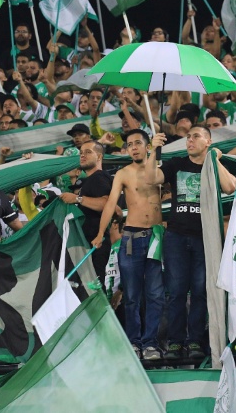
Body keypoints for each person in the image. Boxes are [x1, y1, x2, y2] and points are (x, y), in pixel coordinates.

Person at [152, 126, 236, 360]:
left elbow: (230, 187)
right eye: (188, 137)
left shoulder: (213, 164)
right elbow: (153, 178)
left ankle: (196, 341)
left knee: (200, 291)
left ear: (208, 141)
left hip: (205, 237)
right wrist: (153, 150)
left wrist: (214, 159)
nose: (189, 140)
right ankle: (175, 342)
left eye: (196, 136)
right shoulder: (177, 163)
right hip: (176, 236)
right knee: (177, 292)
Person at [92, 130, 166, 361]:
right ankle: (134, 342)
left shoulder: (159, 170)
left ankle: (150, 343)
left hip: (155, 236)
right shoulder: (123, 173)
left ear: (147, 146)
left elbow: (159, 182)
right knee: (132, 294)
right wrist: (100, 233)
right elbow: (110, 204)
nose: (133, 148)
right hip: (132, 236)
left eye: (137, 143)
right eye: (129, 145)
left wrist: (157, 150)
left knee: (155, 294)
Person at [58, 141, 112, 282]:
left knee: (95, 288)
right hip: (90, 242)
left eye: (88, 152)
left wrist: (77, 199)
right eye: (81, 153)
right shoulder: (89, 180)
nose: (82, 155)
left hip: (96, 242)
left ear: (99, 157)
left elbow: (107, 205)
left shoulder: (99, 177)